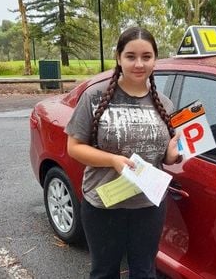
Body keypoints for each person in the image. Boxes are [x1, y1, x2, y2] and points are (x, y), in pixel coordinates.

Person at [65, 27, 180, 279]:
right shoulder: (94, 97)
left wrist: (172, 154)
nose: (139, 64)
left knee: (144, 271)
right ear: (118, 57)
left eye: (146, 56)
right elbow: (74, 148)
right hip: (103, 203)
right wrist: (113, 161)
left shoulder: (164, 103)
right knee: (104, 272)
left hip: (149, 204)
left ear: (155, 59)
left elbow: (164, 158)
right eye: (131, 56)